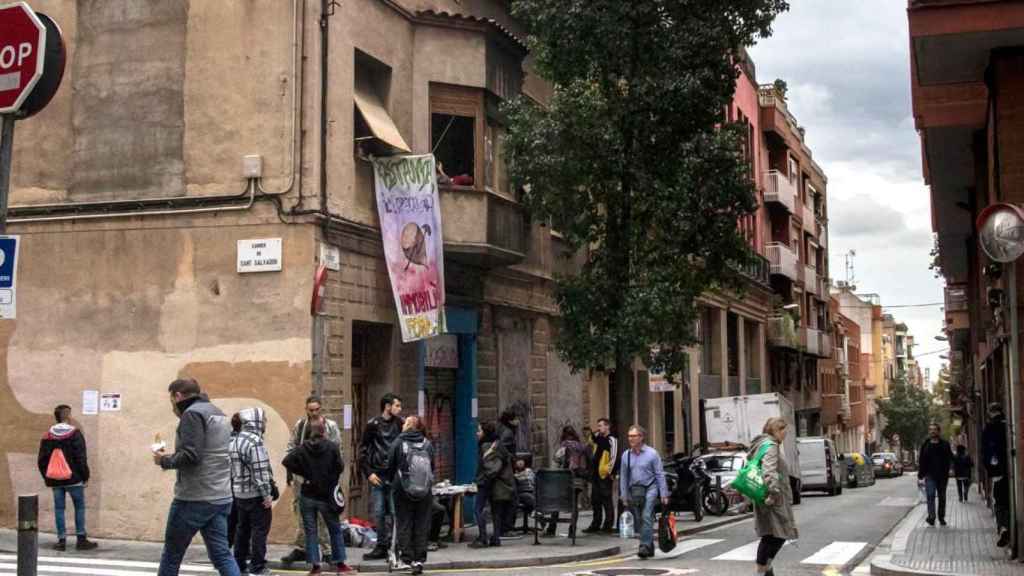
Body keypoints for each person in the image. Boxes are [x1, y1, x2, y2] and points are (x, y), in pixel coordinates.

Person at [153, 378, 240, 576]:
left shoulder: (192, 414)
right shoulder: (217, 412)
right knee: (221, 555)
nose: (172, 406)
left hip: (194, 498)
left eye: (171, 401)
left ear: (177, 396)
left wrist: (164, 460)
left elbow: (192, 455)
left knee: (172, 554)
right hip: (220, 496)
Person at [282, 419, 354, 574]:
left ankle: (315, 567)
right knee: (334, 528)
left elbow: (287, 461)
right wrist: (329, 477)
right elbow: (340, 467)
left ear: (310, 432)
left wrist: (303, 473)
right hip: (327, 496)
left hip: (307, 494)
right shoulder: (332, 447)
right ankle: (340, 564)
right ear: (324, 431)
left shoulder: (302, 448)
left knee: (311, 531)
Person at [37, 404, 98, 551]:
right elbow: (81, 458)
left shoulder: (47, 436)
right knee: (79, 507)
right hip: (74, 479)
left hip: (55, 479)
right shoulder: (75, 434)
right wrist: (85, 476)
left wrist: (48, 477)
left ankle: (61, 540)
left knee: (59, 509)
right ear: (68, 416)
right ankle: (81, 539)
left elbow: (41, 460)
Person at [385, 415, 435, 575]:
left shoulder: (399, 442)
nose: (403, 424)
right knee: (422, 523)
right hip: (424, 490)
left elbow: (390, 465)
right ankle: (419, 559)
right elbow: (431, 467)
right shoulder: (427, 444)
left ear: (409, 426)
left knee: (404, 522)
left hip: (402, 488)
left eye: (405, 422)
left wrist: (392, 481)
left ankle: (407, 559)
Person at [749, 417, 798, 576]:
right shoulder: (771, 446)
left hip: (766, 497)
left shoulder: (762, 444)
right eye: (784, 431)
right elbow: (768, 471)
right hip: (773, 499)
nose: (785, 435)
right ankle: (763, 569)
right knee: (777, 535)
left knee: (772, 534)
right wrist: (774, 492)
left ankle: (766, 569)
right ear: (777, 430)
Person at [229, 408, 275, 576]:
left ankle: (239, 563)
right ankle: (258, 565)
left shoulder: (235, 439)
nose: (264, 424)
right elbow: (260, 471)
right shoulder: (255, 441)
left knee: (242, 530)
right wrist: (266, 495)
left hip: (239, 493)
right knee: (259, 530)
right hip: (255, 495)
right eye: (263, 420)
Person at [360, 393, 404, 561]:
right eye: (397, 405)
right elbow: (363, 451)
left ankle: (396, 545)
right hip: (377, 474)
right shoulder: (372, 425)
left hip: (394, 475)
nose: (399, 409)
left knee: (395, 511)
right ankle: (381, 546)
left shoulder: (400, 424)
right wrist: (368, 473)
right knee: (378, 512)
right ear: (387, 406)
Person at [619, 425, 668, 559]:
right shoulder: (626, 455)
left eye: (634, 436)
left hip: (651, 487)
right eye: (629, 436)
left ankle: (644, 546)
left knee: (646, 515)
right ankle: (650, 546)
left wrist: (664, 494)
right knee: (639, 519)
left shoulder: (652, 453)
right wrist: (624, 495)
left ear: (641, 437)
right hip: (635, 490)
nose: (631, 439)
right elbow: (624, 476)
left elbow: (659, 474)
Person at [470, 422, 513, 548]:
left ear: (485, 433)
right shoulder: (498, 444)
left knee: (478, 509)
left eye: (479, 431)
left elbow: (491, 468)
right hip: (498, 483)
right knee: (496, 512)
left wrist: (483, 479)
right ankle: (496, 538)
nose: (477, 433)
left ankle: (483, 538)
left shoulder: (487, 446)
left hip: (486, 482)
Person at [545, 425, 590, 537]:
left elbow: (555, 463)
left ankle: (552, 528)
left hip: (564, 480)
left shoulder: (563, 447)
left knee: (557, 503)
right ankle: (572, 530)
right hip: (578, 480)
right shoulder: (581, 447)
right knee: (574, 505)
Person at [983, 402, 1010, 547]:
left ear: (990, 412)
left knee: (999, 501)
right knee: (1007, 500)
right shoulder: (1008, 423)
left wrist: (991, 470)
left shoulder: (990, 427)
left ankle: (1003, 528)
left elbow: (986, 451)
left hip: (998, 470)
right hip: (1009, 469)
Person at [585, 418, 617, 534]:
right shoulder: (598, 437)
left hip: (605, 474)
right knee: (595, 500)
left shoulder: (612, 439)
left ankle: (607, 526)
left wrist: (610, 471)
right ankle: (595, 524)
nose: (599, 428)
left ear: (607, 426)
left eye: (601, 425)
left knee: (606, 500)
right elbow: (590, 442)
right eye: (598, 425)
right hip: (595, 474)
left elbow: (614, 456)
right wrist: (592, 433)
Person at [918, 422, 953, 527]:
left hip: (942, 475)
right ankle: (931, 517)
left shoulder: (945, 444)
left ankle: (941, 517)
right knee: (930, 495)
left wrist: (951, 469)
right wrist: (920, 474)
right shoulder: (925, 444)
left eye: (934, 429)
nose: (932, 431)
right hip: (930, 475)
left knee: (942, 497)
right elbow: (922, 460)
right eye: (930, 429)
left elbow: (950, 457)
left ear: (938, 431)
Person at [497, 409, 520, 534]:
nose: (518, 421)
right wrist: (513, 460)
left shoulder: (500, 428)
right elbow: (503, 451)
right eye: (515, 418)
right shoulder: (508, 433)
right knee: (512, 498)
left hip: (500, 471)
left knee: (503, 499)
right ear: (510, 420)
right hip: (505, 471)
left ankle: (502, 527)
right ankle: (507, 527)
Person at [513, 457, 536, 532]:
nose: (520, 463)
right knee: (530, 498)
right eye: (518, 461)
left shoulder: (529, 471)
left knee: (533, 498)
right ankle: (535, 513)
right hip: (521, 493)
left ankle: (535, 513)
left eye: (521, 461)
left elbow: (533, 480)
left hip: (532, 491)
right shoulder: (514, 474)